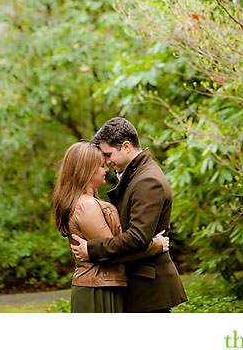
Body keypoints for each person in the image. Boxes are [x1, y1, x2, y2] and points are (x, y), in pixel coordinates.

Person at [69, 117, 187, 312]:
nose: (106, 161)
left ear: (126, 146)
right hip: (138, 285)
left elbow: (137, 238)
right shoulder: (136, 175)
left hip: (149, 290)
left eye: (108, 154)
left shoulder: (148, 181)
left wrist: (91, 249)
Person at [52, 141, 168, 312]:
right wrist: (153, 246)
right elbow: (113, 252)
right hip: (97, 288)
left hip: (104, 285)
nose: (106, 170)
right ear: (86, 170)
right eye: (101, 166)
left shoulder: (88, 202)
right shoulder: (87, 205)